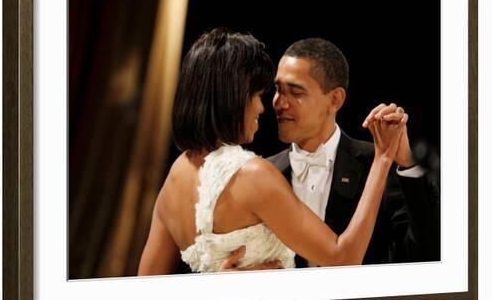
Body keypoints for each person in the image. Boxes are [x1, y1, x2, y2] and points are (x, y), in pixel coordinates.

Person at [138, 28, 409, 275]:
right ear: (233, 97)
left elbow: (147, 291)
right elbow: (344, 259)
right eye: (258, 95)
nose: (264, 107)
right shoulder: (254, 174)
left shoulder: (175, 175)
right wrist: (383, 157)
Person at [224, 37, 439, 269]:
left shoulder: (377, 163)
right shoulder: (261, 173)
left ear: (335, 99)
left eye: (295, 92)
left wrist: (407, 163)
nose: (279, 103)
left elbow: (424, 252)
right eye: (278, 90)